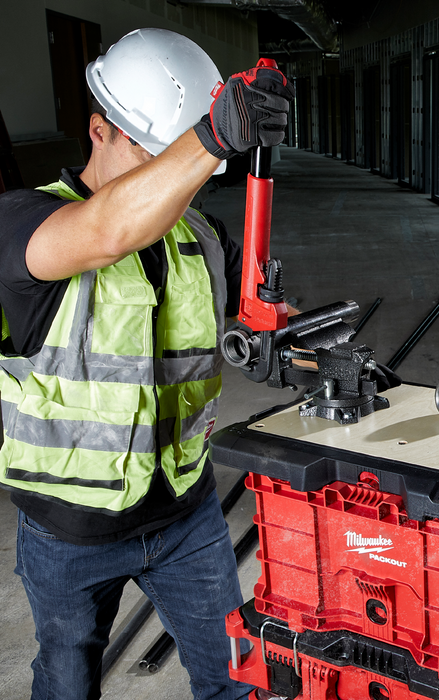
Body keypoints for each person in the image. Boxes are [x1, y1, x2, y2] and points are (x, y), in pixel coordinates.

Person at [0, 28, 294, 700]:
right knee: (67, 684)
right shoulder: (23, 222)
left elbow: (249, 320)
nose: (175, 181)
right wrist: (210, 139)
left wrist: (296, 341)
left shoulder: (201, 237)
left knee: (236, 679)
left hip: (187, 515)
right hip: (68, 529)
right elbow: (108, 231)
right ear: (98, 130)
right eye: (154, 156)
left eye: (182, 165)